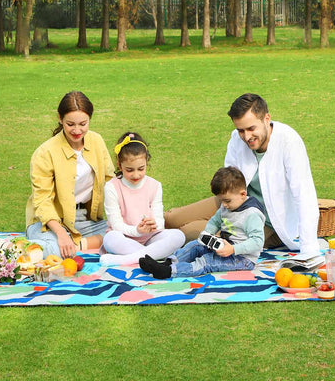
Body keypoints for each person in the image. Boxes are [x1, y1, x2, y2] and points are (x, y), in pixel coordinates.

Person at [164, 93, 321, 257]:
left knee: (189, 233)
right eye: (241, 130)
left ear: (267, 119)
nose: (246, 137)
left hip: (265, 221)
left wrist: (309, 250)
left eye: (251, 129)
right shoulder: (236, 139)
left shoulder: (289, 142)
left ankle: (168, 243)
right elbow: (228, 179)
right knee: (172, 219)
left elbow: (304, 195)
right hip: (232, 199)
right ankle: (150, 236)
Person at [26, 91, 114, 258]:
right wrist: (61, 234)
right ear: (60, 119)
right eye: (70, 124)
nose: (77, 130)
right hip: (49, 223)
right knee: (53, 251)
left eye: (83, 124)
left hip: (86, 220)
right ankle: (17, 250)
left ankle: (77, 245)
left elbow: (110, 180)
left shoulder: (97, 141)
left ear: (90, 120)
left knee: (125, 235)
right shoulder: (44, 153)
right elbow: (42, 201)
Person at [139, 166, 265, 279]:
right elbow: (215, 221)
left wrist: (233, 249)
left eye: (227, 201)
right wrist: (207, 234)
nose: (224, 205)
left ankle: (168, 271)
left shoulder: (251, 214)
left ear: (243, 194)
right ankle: (169, 262)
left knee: (207, 261)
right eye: (221, 201)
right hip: (222, 247)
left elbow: (257, 242)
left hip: (241, 258)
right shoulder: (227, 206)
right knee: (195, 246)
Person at [99, 132, 185, 266]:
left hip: (151, 238)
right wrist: (137, 231)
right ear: (119, 165)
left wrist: (153, 224)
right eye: (129, 170)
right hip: (124, 239)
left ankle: (128, 259)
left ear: (146, 163)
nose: (136, 174)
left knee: (178, 236)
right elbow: (116, 225)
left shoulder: (155, 185)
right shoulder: (112, 187)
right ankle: (156, 257)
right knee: (110, 239)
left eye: (141, 169)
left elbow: (160, 222)